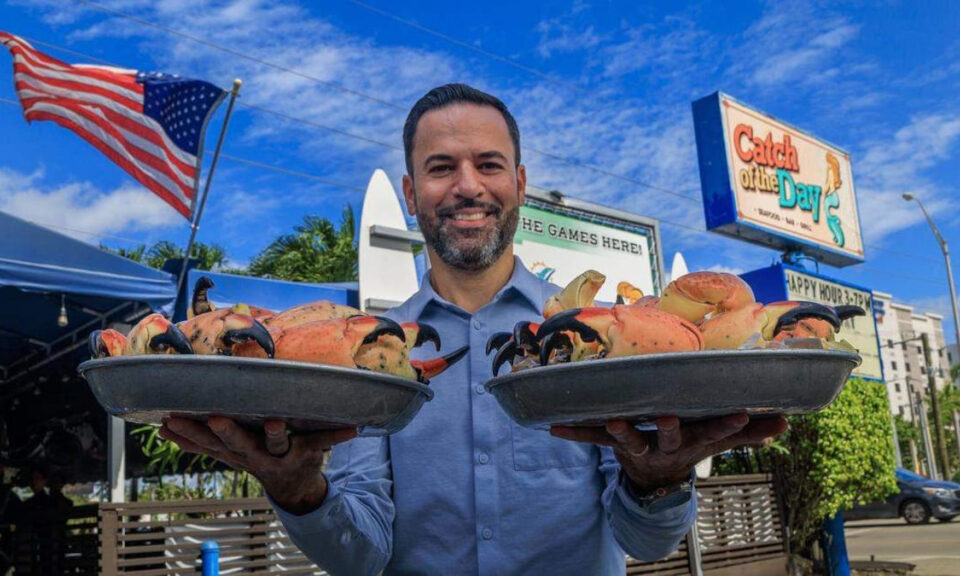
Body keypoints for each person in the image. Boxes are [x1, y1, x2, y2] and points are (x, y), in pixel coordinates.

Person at [160, 83, 787, 576]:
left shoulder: (600, 339)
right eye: (441, 168)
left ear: (520, 183)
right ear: (411, 192)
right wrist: (298, 490)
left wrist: (658, 480)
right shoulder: (361, 354)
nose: (467, 186)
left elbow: (643, 544)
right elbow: (362, 556)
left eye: (489, 164)